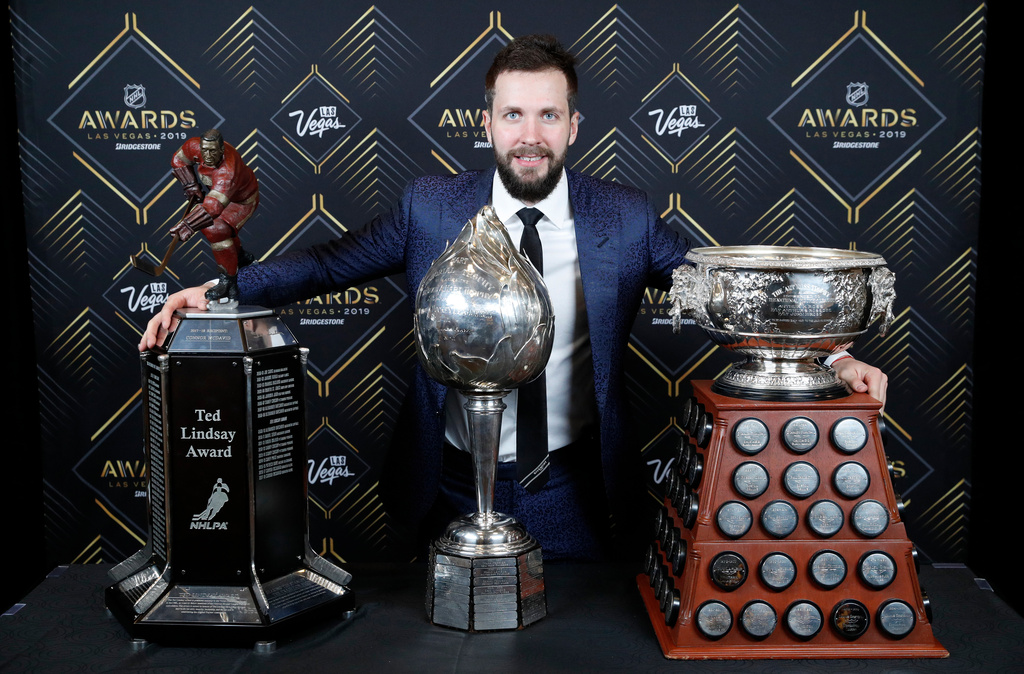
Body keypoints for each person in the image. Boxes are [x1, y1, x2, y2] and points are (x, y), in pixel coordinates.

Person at [142, 35, 887, 560]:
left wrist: (830, 360)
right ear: (489, 121)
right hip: (452, 490)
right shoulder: (431, 207)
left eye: (548, 115)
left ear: (574, 125)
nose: (530, 136)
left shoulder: (623, 217)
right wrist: (217, 289)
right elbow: (327, 266)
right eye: (513, 115)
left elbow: (725, 290)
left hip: (575, 490)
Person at [169, 129, 259, 302]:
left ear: (222, 150)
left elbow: (214, 207)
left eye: (213, 151)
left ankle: (229, 282)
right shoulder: (195, 146)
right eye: (205, 151)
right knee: (219, 231)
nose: (207, 155)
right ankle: (239, 257)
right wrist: (190, 185)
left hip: (242, 201)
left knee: (215, 229)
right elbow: (178, 160)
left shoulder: (228, 171)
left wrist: (188, 225)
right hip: (218, 197)